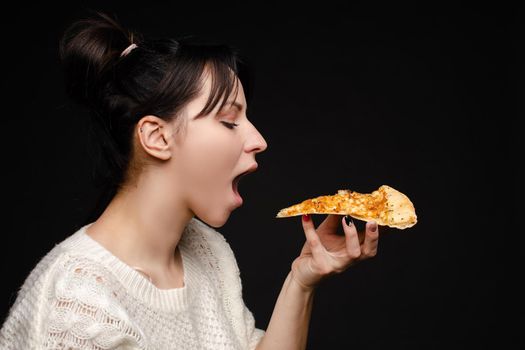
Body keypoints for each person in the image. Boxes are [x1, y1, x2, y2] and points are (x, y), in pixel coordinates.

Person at [0, 11, 380, 350]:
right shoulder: (75, 307)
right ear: (157, 137)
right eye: (230, 121)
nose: (259, 140)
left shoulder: (209, 253)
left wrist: (302, 280)